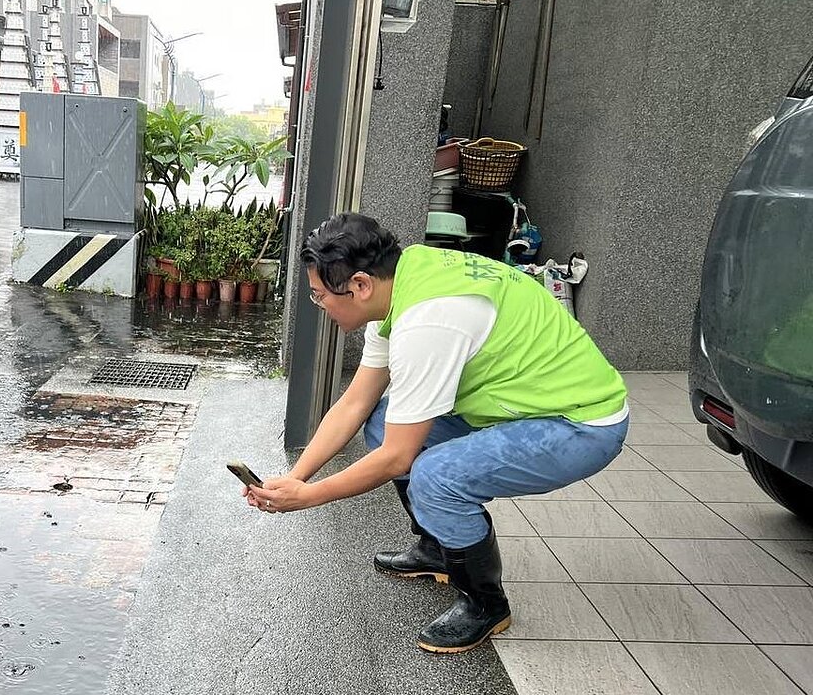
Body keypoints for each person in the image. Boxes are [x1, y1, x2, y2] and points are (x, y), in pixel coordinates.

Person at [245, 213, 628, 654]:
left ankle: (485, 604)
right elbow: (355, 403)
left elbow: (397, 457)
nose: (321, 305)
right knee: (382, 420)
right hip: (520, 405)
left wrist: (309, 497)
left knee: (435, 477)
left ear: (360, 284)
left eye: (320, 295)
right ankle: (438, 548)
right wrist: (297, 477)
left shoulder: (428, 320)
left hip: (579, 423)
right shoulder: (402, 285)